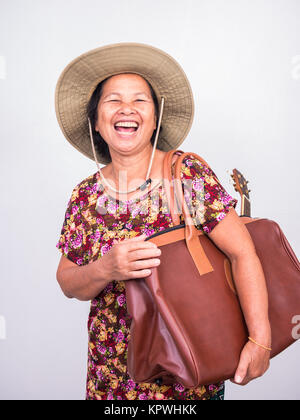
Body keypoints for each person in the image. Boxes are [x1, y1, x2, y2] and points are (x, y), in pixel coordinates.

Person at [55, 43, 271, 400]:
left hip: (189, 382)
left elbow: (244, 253)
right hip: (110, 382)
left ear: (155, 118)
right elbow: (68, 283)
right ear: (96, 121)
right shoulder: (85, 196)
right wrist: (106, 268)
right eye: (113, 101)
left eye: (140, 100)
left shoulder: (186, 174)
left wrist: (260, 339)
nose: (127, 109)